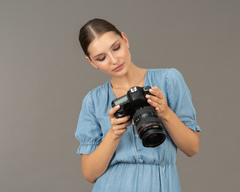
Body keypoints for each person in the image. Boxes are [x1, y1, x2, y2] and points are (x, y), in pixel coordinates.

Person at [75, 18, 201, 192]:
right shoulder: (94, 100)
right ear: (91, 62)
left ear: (125, 39)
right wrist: (114, 133)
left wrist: (164, 112)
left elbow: (192, 147)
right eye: (101, 58)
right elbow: (89, 174)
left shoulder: (168, 80)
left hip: (161, 184)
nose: (114, 60)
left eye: (116, 47)